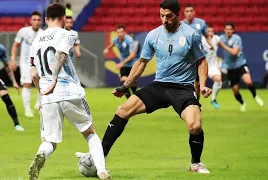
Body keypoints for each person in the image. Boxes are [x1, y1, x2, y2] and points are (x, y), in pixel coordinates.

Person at [77, 0, 212, 174]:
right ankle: (99, 158)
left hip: (182, 88)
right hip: (159, 85)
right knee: (122, 110)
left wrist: (202, 85)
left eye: (169, 16)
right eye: (162, 15)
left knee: (195, 126)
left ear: (178, 15)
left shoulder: (191, 35)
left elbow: (201, 60)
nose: (164, 20)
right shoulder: (153, 35)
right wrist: (125, 86)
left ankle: (196, 163)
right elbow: (141, 63)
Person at [28, 3, 110, 180]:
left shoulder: (35, 41)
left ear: (46, 19)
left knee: (49, 141)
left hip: (47, 96)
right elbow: (60, 54)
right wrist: (55, 78)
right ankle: (102, 171)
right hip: (69, 92)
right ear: (64, 18)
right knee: (90, 133)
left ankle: (41, 153)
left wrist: (41, 95)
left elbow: (33, 73)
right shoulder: (67, 34)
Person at [219, 22, 264, 112]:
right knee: (235, 90)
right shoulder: (221, 38)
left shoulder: (237, 38)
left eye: (230, 29)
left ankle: (255, 96)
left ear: (233, 30)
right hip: (230, 67)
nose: (228, 31)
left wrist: (222, 45)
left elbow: (234, 53)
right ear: (224, 30)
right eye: (227, 29)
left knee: (248, 81)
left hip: (240, 65)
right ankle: (243, 103)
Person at [10, 11, 44, 117]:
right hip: (25, 62)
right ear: (30, 21)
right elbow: (15, 46)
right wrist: (13, 59)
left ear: (41, 21)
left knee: (42, 85)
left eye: (38, 20)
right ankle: (27, 109)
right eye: (34, 19)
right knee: (27, 84)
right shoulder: (23, 31)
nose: (36, 22)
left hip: (39, 63)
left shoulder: (43, 34)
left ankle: (39, 104)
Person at [182, 4, 213, 101]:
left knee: (198, 84)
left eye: (191, 11)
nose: (189, 13)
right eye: (187, 11)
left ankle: (195, 102)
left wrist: (211, 43)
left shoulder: (201, 23)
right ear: (184, 13)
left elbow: (207, 35)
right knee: (187, 82)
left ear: (194, 12)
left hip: (197, 56)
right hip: (185, 58)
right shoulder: (180, 24)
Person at [103, 25, 138, 98]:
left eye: (121, 32)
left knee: (132, 83)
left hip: (132, 64)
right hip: (124, 65)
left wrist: (122, 63)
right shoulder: (115, 40)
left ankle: (135, 96)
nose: (120, 34)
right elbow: (112, 45)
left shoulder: (129, 40)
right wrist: (107, 49)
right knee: (124, 81)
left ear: (124, 32)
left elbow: (132, 55)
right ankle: (129, 100)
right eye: (118, 32)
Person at [201, 25, 222, 109]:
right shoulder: (201, 39)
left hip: (212, 66)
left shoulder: (216, 39)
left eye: (212, 31)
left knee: (219, 80)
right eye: (208, 31)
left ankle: (213, 99)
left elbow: (223, 44)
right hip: (201, 65)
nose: (210, 33)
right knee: (196, 86)